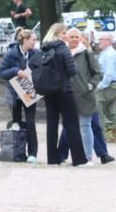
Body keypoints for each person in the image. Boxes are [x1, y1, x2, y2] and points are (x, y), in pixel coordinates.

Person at [58, 28, 115, 165]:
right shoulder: (62, 53)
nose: (74, 39)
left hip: (84, 96)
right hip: (66, 95)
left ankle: (87, 157)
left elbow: (98, 73)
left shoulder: (86, 54)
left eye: (76, 37)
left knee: (85, 125)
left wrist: (90, 85)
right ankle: (62, 155)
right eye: (71, 37)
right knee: (68, 126)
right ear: (66, 38)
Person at [38, 23, 89, 166]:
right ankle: (79, 160)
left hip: (49, 91)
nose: (67, 35)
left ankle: (52, 159)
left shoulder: (44, 48)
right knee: (71, 124)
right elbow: (72, 71)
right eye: (65, 32)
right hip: (64, 90)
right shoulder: (62, 48)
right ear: (58, 34)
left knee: (52, 125)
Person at [0, 27, 40, 163]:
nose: (35, 42)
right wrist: (16, 71)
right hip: (14, 93)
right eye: (33, 40)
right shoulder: (11, 54)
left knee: (31, 123)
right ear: (25, 40)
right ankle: (17, 152)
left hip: (29, 92)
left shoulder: (36, 54)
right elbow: (1, 73)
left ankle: (33, 153)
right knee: (16, 123)